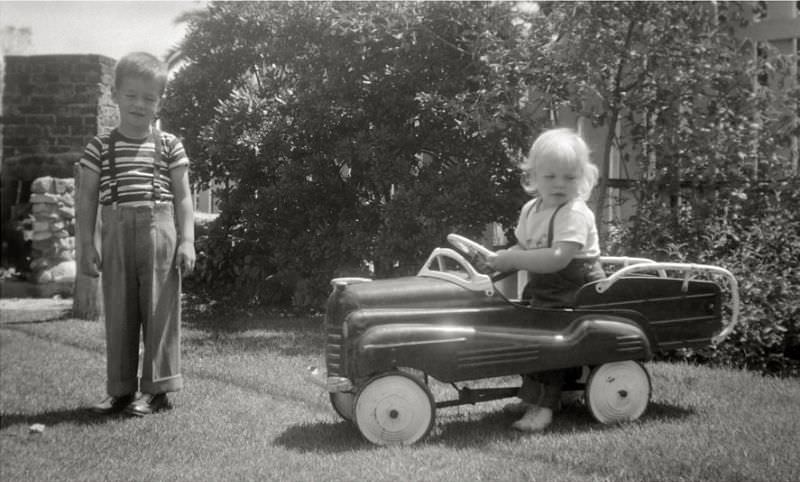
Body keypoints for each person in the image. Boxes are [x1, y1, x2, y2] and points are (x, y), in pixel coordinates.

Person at [77, 52, 195, 417]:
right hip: (115, 234)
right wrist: (86, 245)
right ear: (115, 94)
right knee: (119, 314)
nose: (139, 104)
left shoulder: (169, 145)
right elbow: (86, 199)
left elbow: (184, 195)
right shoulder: (99, 147)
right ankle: (121, 390)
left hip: (159, 235)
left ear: (160, 101)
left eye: (149, 98)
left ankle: (158, 390)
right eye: (131, 95)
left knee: (159, 312)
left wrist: (187, 240)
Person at [485, 127, 604, 432]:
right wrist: (500, 259)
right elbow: (524, 248)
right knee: (522, 329)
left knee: (549, 340)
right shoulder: (531, 210)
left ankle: (545, 406)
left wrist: (515, 259)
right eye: (550, 177)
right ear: (534, 176)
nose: (560, 184)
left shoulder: (574, 213)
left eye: (570, 177)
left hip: (575, 290)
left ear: (582, 177)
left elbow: (557, 259)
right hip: (543, 287)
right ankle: (534, 396)